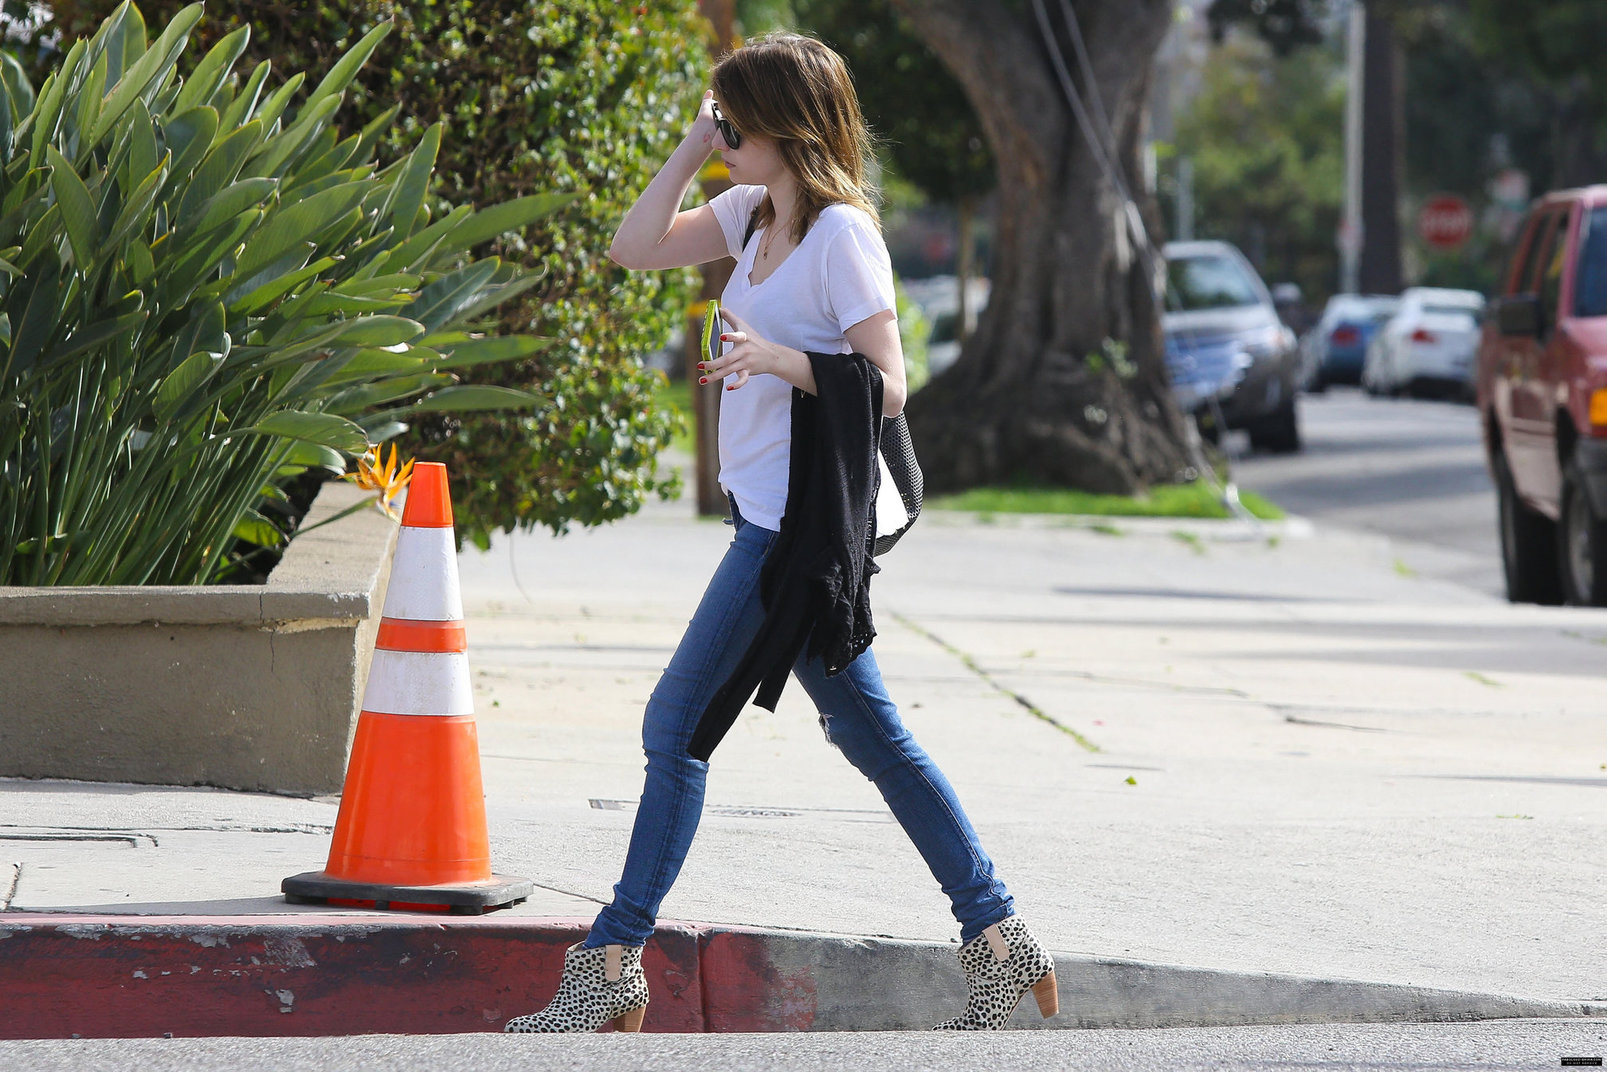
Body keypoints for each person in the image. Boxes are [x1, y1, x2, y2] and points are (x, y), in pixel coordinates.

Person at [504, 32, 1056, 1035]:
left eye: (733, 123)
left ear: (786, 126)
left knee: (676, 728)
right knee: (871, 736)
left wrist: (781, 360)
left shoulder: (842, 234)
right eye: (717, 119)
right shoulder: (750, 210)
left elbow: (890, 384)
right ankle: (999, 937)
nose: (722, 136)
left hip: (793, 533)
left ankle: (610, 962)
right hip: (764, 518)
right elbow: (632, 247)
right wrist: (690, 146)